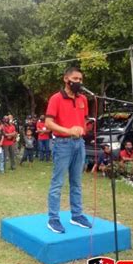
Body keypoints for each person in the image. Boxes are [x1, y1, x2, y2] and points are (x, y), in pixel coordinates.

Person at [45, 67, 92, 234]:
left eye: (80, 79)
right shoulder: (56, 98)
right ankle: (53, 218)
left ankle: (77, 215)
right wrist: (68, 130)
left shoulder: (83, 99)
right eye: (75, 78)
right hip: (62, 144)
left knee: (77, 181)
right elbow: (48, 123)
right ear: (66, 79)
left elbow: (85, 119)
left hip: (79, 144)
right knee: (58, 182)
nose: (78, 82)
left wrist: (83, 129)